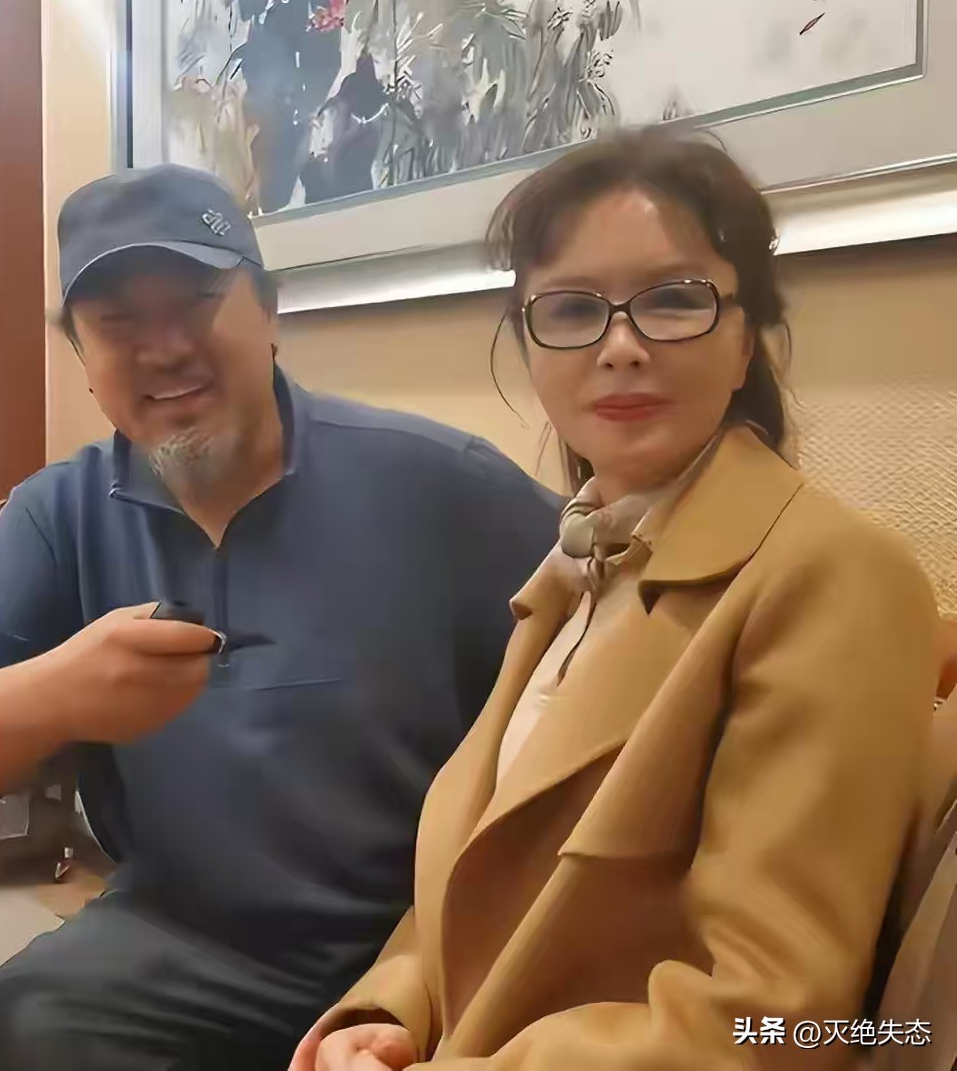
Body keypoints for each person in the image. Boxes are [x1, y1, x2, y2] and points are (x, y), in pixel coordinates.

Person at [0, 164, 561, 1071]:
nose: (163, 349)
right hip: (182, 935)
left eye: (196, 303)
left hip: (429, 935)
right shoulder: (60, 513)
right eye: (118, 323)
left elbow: (613, 645)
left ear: (270, 312)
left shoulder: (444, 485)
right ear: (81, 357)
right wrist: (56, 696)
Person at [290, 130, 939, 1071]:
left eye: (674, 300)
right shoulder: (577, 566)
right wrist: (386, 1012)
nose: (621, 347)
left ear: (747, 336)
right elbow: (472, 887)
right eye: (571, 309)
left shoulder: (834, 576)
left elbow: (773, 1015)